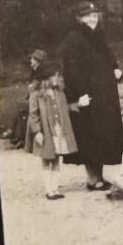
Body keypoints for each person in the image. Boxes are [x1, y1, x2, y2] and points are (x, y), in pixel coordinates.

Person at [61, 1, 123, 191]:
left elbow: (109, 57)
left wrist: (116, 69)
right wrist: (79, 95)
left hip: (104, 97)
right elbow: (71, 70)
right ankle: (92, 179)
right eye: (88, 15)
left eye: (95, 15)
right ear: (79, 18)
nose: (92, 19)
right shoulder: (74, 37)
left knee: (103, 135)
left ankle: (99, 176)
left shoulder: (99, 35)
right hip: (88, 97)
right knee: (90, 136)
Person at [24, 52, 78, 200]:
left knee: (56, 159)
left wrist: (77, 105)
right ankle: (49, 190)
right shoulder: (36, 94)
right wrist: (37, 132)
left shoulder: (59, 92)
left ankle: (55, 188)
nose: (58, 78)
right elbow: (33, 114)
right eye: (55, 76)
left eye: (58, 75)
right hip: (46, 131)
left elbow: (64, 108)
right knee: (47, 159)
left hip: (59, 130)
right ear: (46, 77)